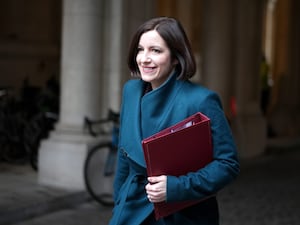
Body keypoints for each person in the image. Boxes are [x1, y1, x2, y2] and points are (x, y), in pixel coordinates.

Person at [109, 17, 240, 225]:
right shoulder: (130, 91)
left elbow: (228, 163)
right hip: (132, 212)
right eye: (140, 49)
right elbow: (125, 157)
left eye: (155, 51)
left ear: (176, 57)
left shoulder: (201, 99)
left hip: (183, 215)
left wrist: (176, 187)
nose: (144, 58)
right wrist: (119, 202)